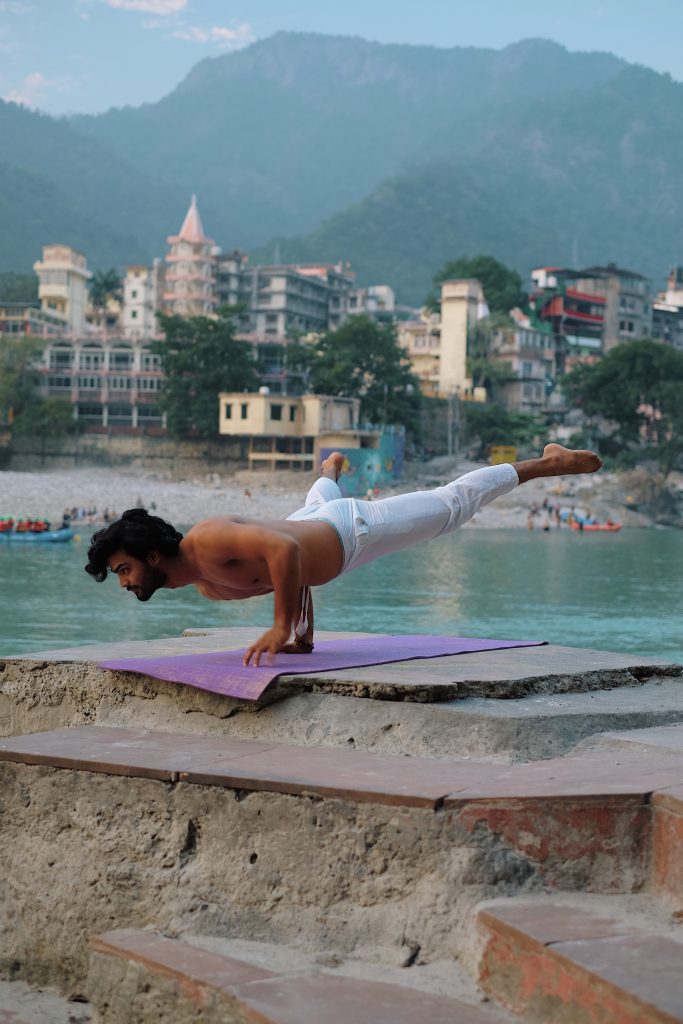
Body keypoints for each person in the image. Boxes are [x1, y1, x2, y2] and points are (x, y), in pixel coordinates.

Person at [85, 443, 602, 667]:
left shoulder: (209, 540)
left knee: (451, 507)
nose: (125, 582)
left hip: (351, 531)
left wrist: (280, 626)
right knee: (316, 500)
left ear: (154, 555)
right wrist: (303, 639)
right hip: (316, 526)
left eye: (125, 569)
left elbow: (286, 552)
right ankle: (330, 468)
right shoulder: (205, 584)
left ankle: (545, 465)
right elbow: (287, 571)